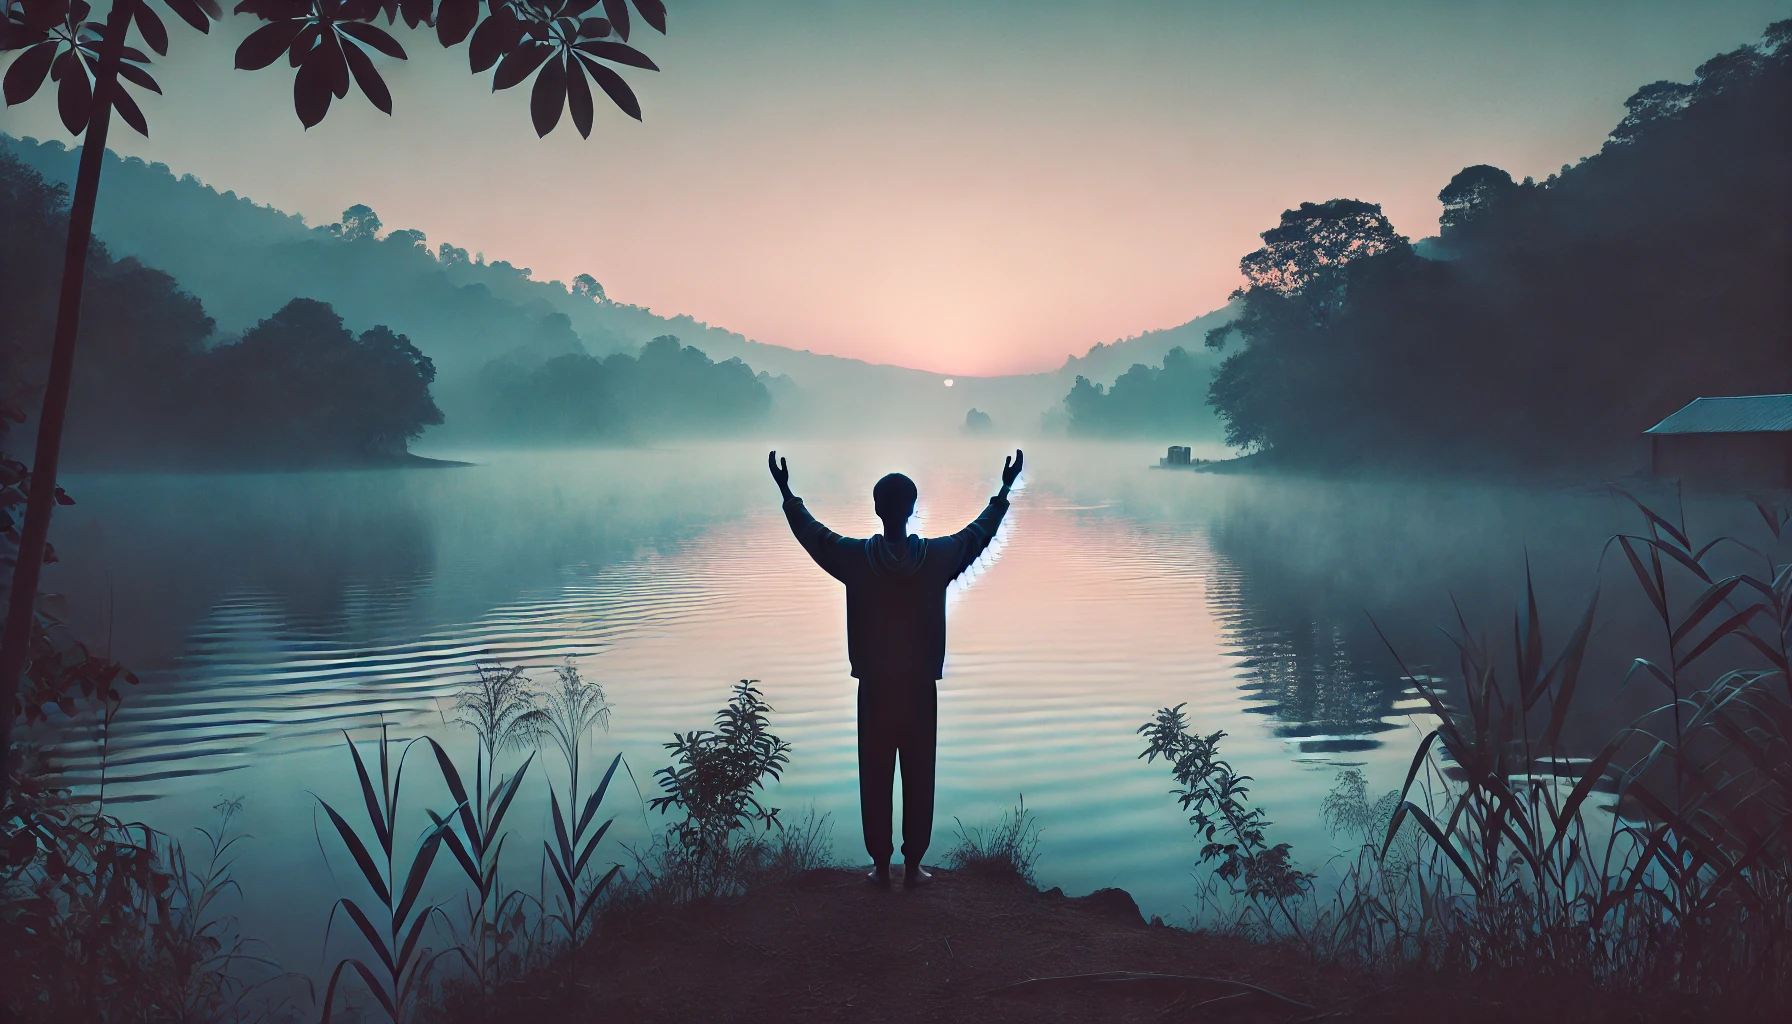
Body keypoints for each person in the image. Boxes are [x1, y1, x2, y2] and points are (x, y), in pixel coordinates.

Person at [769, 449, 1023, 888]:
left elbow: (813, 536)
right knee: (920, 774)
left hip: (875, 688)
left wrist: (787, 492)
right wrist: (1003, 489)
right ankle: (913, 867)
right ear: (912, 510)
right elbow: (979, 533)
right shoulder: (937, 558)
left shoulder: (855, 559)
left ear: (876, 509)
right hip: (919, 687)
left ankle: (881, 867)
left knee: (875, 774)